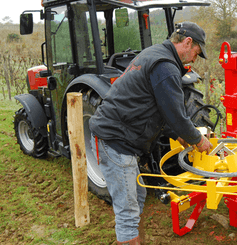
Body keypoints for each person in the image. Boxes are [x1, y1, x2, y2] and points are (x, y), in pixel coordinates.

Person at [89, 21, 212, 245]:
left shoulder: (155, 53)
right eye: (196, 52)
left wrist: (179, 134)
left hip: (120, 136)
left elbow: (159, 108)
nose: (195, 59)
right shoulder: (165, 66)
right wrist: (197, 139)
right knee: (127, 214)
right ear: (187, 42)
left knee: (138, 195)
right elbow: (175, 113)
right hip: (116, 139)